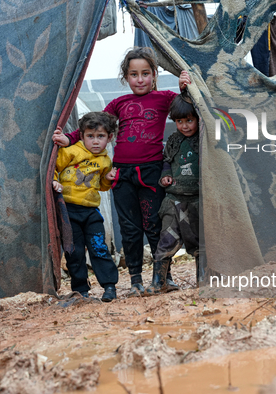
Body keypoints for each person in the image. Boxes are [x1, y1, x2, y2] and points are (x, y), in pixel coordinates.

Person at [53, 46, 191, 297]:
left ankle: (163, 276)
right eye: (134, 74)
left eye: (145, 73)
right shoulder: (119, 103)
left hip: (151, 172)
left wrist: (184, 88)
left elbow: (188, 107)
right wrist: (70, 138)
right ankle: (136, 279)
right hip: (122, 174)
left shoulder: (164, 99)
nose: (140, 79)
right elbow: (95, 125)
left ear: (154, 75)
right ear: (125, 77)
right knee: (130, 227)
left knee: (154, 225)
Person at [52, 111, 119, 302]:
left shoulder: (105, 160)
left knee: (99, 247)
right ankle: (81, 289)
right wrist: (55, 182)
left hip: (90, 212)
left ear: (110, 138)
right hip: (69, 211)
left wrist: (107, 179)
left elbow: (102, 187)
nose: (95, 141)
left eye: (101, 137)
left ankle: (109, 286)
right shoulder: (71, 152)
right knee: (75, 252)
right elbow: (54, 168)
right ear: (82, 136)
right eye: (90, 136)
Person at [146, 92, 201, 294]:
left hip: (197, 201)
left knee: (200, 244)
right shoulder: (174, 140)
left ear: (198, 118)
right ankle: (158, 282)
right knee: (166, 241)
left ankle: (202, 280)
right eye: (179, 121)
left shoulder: (204, 138)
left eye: (189, 120)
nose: (185, 126)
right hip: (173, 200)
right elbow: (166, 161)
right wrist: (165, 176)